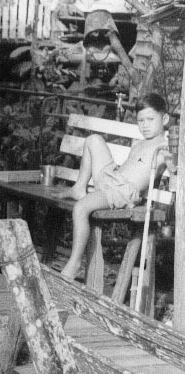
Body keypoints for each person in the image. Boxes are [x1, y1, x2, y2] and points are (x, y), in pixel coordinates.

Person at [55, 93, 169, 280]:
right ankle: (79, 187)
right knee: (93, 140)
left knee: (81, 208)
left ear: (164, 119)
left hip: (123, 191)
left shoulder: (165, 148)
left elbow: (176, 166)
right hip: (112, 178)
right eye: (141, 120)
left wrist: (174, 158)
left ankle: (74, 263)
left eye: (150, 119)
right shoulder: (139, 143)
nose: (145, 125)